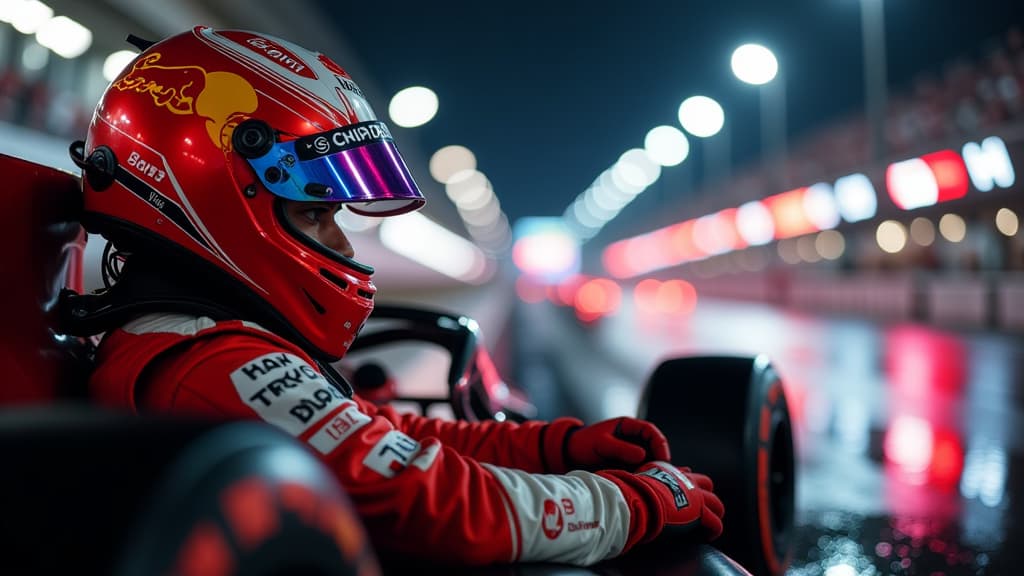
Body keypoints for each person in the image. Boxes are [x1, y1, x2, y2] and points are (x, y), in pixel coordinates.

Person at [63, 26, 724, 567]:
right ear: (216, 192)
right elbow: (438, 503)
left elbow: (383, 438)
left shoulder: (197, 344)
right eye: (317, 215)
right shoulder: (209, 366)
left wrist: (554, 448)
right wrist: (635, 504)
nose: (344, 248)